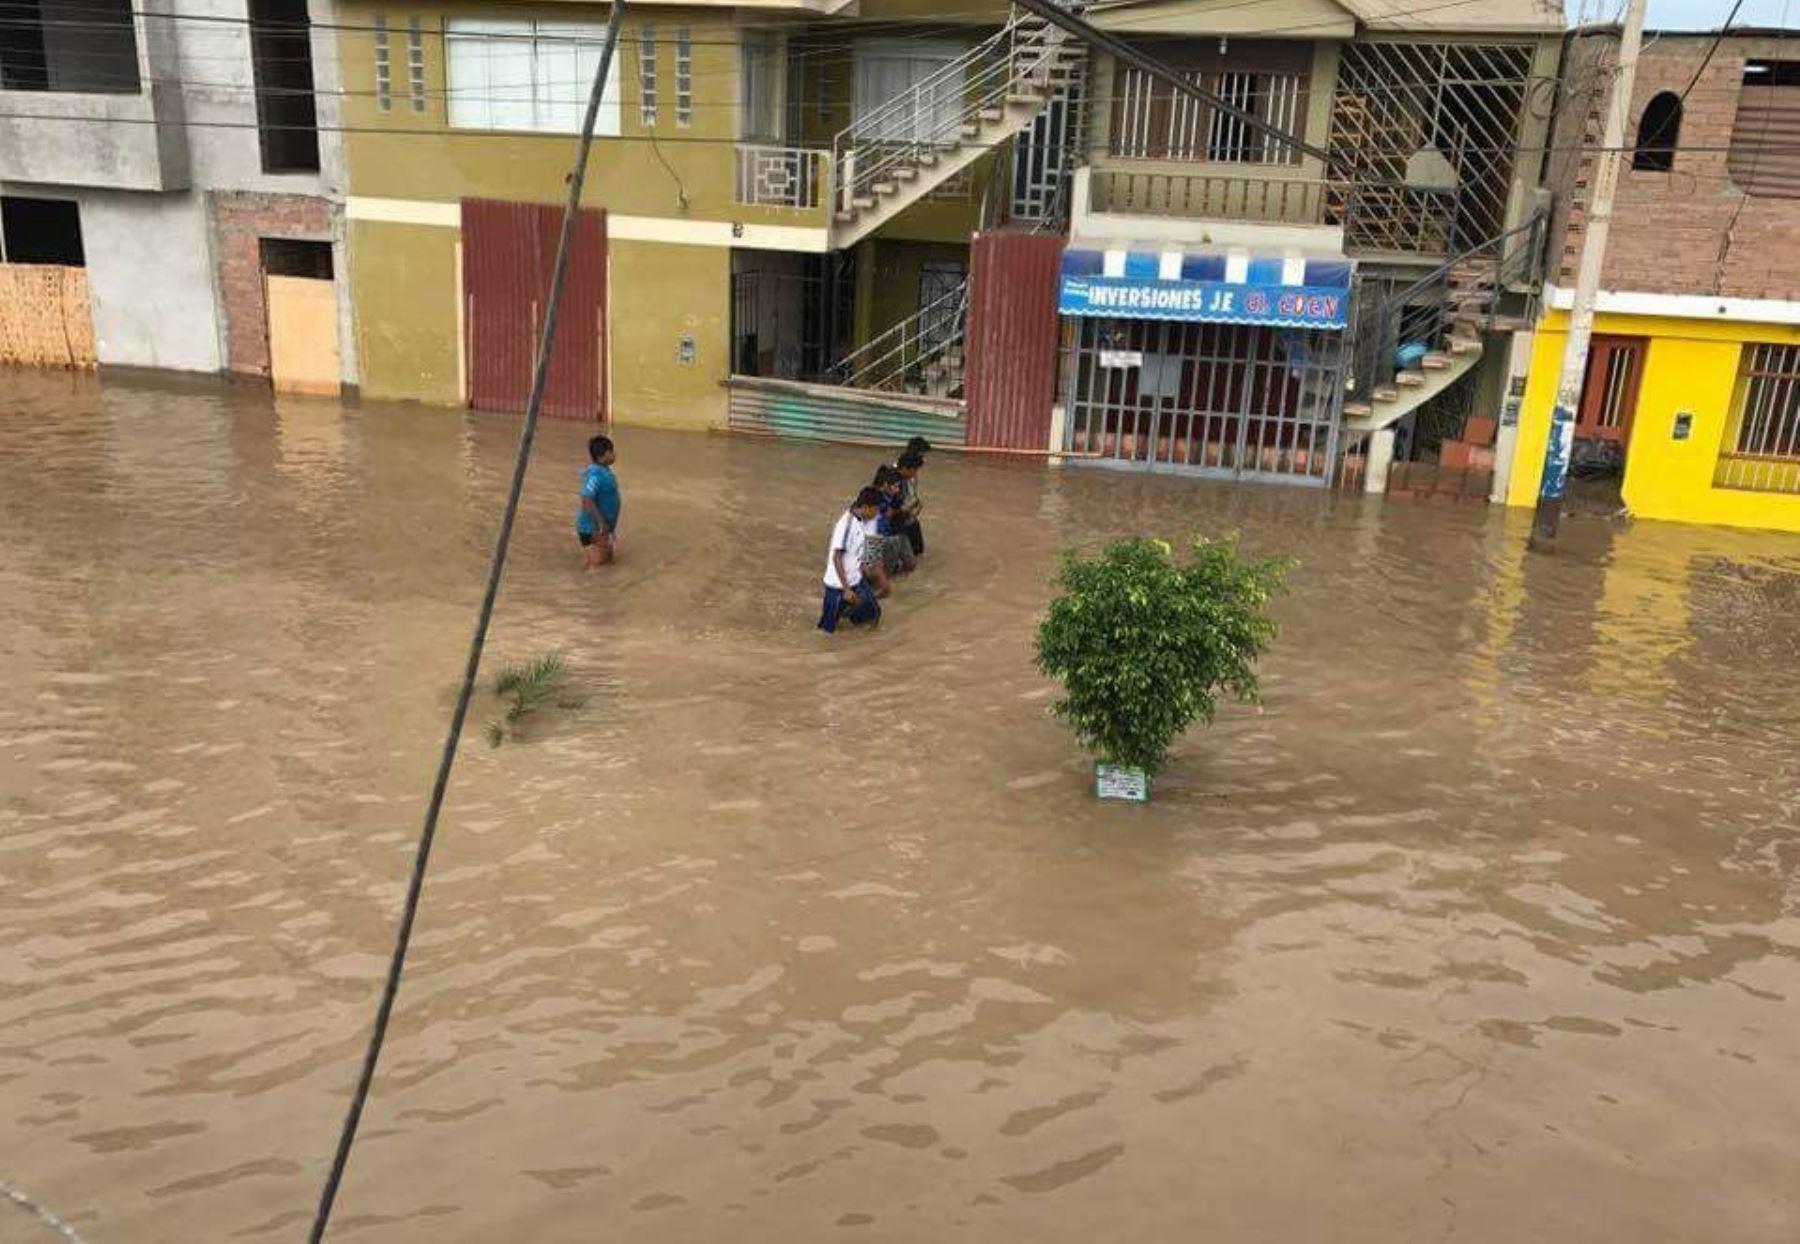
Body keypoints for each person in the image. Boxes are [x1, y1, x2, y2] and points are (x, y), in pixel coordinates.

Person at [818, 487, 884, 633]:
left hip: (856, 580)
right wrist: (846, 589)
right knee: (827, 630)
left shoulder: (865, 520)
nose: (877, 513)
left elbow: (866, 546)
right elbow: (837, 557)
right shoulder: (846, 525)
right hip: (838, 587)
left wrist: (865, 568)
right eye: (875, 509)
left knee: (873, 614)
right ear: (865, 507)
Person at [576, 434, 621, 569]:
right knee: (598, 568)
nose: (614, 454)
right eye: (611, 451)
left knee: (608, 563)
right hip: (593, 528)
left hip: (603, 528)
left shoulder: (605, 471)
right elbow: (586, 499)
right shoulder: (595, 474)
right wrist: (601, 523)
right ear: (602, 456)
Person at [873, 465, 916, 577]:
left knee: (911, 564)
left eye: (898, 487)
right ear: (885, 484)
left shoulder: (891, 497)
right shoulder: (876, 499)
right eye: (895, 487)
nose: (898, 490)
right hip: (882, 539)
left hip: (893, 534)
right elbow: (888, 514)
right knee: (883, 574)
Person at [894, 449, 926, 559]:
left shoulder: (905, 479)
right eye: (914, 470)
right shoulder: (894, 482)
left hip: (899, 514)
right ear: (904, 468)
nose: (915, 474)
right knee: (911, 524)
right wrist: (909, 512)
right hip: (892, 519)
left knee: (914, 525)